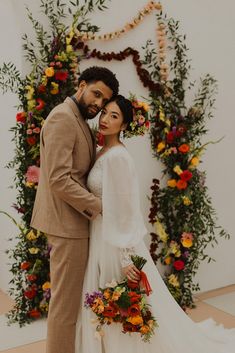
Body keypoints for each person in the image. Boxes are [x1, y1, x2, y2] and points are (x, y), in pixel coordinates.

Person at [76, 95, 235, 353]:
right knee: (104, 301)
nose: (104, 119)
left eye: (113, 116)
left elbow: (126, 209)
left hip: (115, 243)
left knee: (119, 302)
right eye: (104, 112)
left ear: (125, 125)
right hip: (100, 234)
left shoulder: (118, 157)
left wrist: (127, 257)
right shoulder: (102, 150)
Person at [30, 66, 119, 353]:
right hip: (66, 225)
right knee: (65, 308)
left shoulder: (77, 117)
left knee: (70, 304)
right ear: (81, 85)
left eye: (104, 101)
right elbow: (58, 178)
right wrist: (100, 206)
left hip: (75, 223)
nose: (98, 104)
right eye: (96, 94)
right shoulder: (62, 119)